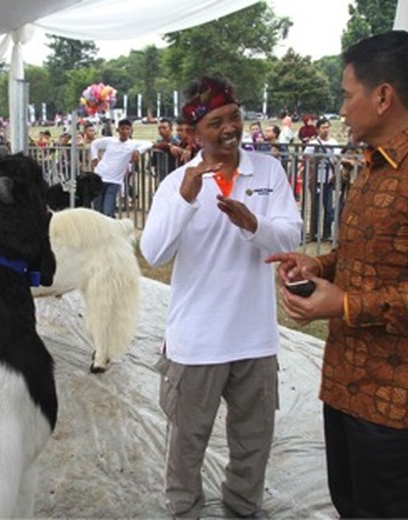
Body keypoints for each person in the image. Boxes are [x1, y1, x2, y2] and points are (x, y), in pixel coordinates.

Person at [266, 31, 408, 519]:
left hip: (401, 395)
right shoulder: (376, 164)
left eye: (348, 96)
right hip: (350, 380)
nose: (342, 110)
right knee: (351, 505)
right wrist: (317, 265)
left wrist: (345, 305)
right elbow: (365, 253)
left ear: (383, 96)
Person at [140, 74, 302, 518]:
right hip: (197, 342)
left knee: (253, 440)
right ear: (194, 134)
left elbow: (292, 235)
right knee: (187, 440)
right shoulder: (177, 182)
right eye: (216, 122)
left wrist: (255, 225)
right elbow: (153, 253)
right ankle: (184, 508)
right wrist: (186, 199)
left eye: (234, 117)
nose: (231, 128)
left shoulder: (267, 170)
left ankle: (242, 506)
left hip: (255, 339)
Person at [89, 118, 151, 217]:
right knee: (97, 209)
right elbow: (94, 144)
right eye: (122, 129)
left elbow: (149, 143)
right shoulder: (110, 141)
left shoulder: (133, 144)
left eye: (127, 129)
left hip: (114, 181)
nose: (125, 131)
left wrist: (138, 151)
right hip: (99, 177)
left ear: (131, 130)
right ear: (118, 130)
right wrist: (94, 157)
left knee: (108, 210)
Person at [303, 117, 339, 241]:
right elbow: (306, 157)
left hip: (328, 179)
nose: (326, 130)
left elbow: (337, 159)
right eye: (323, 127)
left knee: (328, 208)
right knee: (315, 207)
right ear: (318, 129)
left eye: (327, 127)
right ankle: (314, 233)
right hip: (316, 179)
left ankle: (327, 233)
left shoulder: (334, 142)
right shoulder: (313, 143)